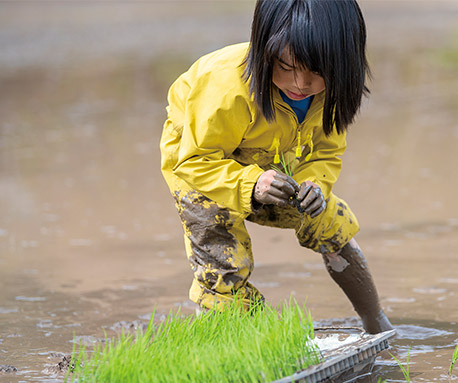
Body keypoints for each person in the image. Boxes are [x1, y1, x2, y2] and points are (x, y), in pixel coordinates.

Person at [159, 0, 393, 334]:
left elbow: (326, 152)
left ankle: (375, 321)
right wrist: (252, 184)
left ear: (344, 64)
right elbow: (194, 160)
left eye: (317, 71)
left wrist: (315, 184)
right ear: (264, 50)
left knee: (327, 219)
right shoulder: (224, 85)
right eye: (286, 66)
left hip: (269, 150)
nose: (300, 83)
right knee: (222, 253)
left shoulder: (330, 94)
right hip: (199, 159)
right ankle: (228, 336)